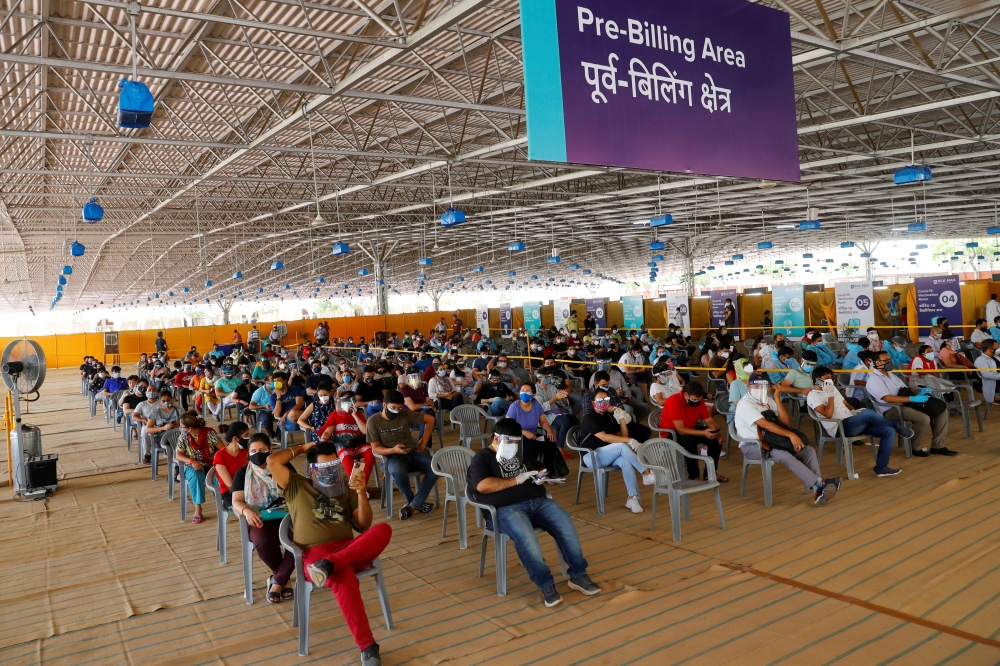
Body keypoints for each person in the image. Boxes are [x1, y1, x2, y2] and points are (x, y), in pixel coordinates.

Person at [267, 439, 390, 666]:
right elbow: (272, 460)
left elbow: (364, 523)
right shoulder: (296, 484)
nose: (330, 473)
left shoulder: (346, 487)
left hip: (347, 551)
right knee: (344, 580)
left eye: (333, 466)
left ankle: (331, 563)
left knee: (383, 529)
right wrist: (305, 448)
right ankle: (368, 647)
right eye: (324, 468)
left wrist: (361, 493)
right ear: (312, 469)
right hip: (315, 555)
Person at [466, 418, 600, 607]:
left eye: (516, 441)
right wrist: (517, 480)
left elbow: (538, 466)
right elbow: (482, 486)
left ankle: (578, 575)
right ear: (496, 438)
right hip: (504, 510)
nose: (514, 445)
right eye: (510, 441)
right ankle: (546, 585)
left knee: (565, 523)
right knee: (526, 537)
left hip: (538, 502)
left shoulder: (521, 453)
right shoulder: (482, 457)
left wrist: (541, 475)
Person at [734, 378, 841, 506]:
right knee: (785, 456)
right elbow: (766, 425)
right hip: (753, 445)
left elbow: (784, 422)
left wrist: (777, 398)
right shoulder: (745, 404)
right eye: (756, 387)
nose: (760, 390)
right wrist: (790, 435)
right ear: (749, 388)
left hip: (773, 440)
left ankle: (818, 488)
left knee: (808, 451)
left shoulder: (768, 400)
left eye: (763, 387)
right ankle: (819, 484)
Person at [807, 367, 913, 477]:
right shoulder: (813, 395)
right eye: (827, 378)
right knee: (867, 413)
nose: (830, 380)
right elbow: (828, 415)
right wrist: (830, 395)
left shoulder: (832, 389)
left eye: (831, 378)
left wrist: (854, 411)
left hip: (851, 421)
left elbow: (846, 404)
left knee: (888, 431)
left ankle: (881, 468)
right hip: (839, 427)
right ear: (817, 379)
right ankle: (897, 426)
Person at [230, 433, 295, 603]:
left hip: (287, 516)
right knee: (263, 541)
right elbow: (236, 501)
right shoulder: (243, 473)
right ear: (248, 453)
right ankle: (283, 578)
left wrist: (291, 500)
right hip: (260, 518)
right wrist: (247, 512)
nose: (257, 453)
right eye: (253, 450)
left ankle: (277, 581)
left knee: (301, 539)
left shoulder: (282, 466)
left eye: (262, 449)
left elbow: (298, 490)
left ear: (270, 450)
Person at [865, 350, 954, 457]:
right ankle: (915, 447)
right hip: (891, 409)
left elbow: (905, 390)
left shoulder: (893, 376)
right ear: (877, 363)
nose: (890, 362)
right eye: (886, 360)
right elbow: (887, 398)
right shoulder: (874, 380)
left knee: (941, 410)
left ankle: (938, 445)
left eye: (890, 359)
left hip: (907, 404)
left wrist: (920, 394)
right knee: (923, 418)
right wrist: (912, 399)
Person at [578, 389, 655, 513]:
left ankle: (632, 498)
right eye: (599, 400)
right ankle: (646, 473)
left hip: (608, 454)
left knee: (626, 461)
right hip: (591, 457)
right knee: (621, 446)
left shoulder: (608, 416)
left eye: (606, 400)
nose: (603, 402)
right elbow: (604, 437)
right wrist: (630, 440)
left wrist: (622, 420)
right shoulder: (589, 418)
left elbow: (620, 436)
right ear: (593, 402)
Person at [366, 390, 437, 520]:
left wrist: (423, 442)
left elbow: (430, 419)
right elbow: (376, 449)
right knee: (398, 471)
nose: (396, 411)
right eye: (393, 408)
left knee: (435, 467)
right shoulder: (373, 422)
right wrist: (393, 450)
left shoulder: (404, 414)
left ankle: (414, 505)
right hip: (392, 456)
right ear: (384, 405)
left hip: (413, 452)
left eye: (399, 408)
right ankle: (415, 502)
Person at [660, 383, 729, 482]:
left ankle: (710, 473)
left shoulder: (699, 402)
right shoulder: (673, 401)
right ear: (686, 394)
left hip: (690, 428)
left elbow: (709, 420)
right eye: (694, 400)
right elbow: (680, 429)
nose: (697, 402)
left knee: (715, 440)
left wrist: (717, 433)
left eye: (699, 399)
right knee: (689, 440)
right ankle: (693, 476)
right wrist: (704, 433)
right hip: (671, 432)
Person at [506, 383, 566, 478]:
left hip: (534, 436)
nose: (524, 393)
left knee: (550, 442)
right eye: (522, 391)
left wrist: (549, 431)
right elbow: (508, 426)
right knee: (528, 445)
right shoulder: (514, 407)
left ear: (534, 395)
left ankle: (549, 472)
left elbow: (543, 422)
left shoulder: (536, 404)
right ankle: (535, 471)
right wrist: (524, 432)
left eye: (527, 391)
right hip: (518, 437)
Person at [175, 411, 220, 524]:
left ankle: (220, 504)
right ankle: (198, 508)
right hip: (193, 465)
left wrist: (217, 464)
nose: (180, 428)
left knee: (218, 478)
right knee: (195, 477)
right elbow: (178, 454)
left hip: (211, 463)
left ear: (189, 428)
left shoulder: (209, 433)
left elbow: (222, 449)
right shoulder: (183, 437)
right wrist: (192, 461)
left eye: (181, 426)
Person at [134, 388, 180, 464]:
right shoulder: (155, 412)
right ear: (160, 402)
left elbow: (186, 424)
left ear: (172, 400)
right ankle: (176, 467)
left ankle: (177, 466)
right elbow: (148, 430)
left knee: (180, 441)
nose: (166, 402)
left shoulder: (179, 410)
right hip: (161, 437)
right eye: (163, 401)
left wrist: (176, 425)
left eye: (168, 400)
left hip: (177, 435)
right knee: (174, 442)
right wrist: (164, 428)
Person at [213, 422, 250, 505]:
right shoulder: (220, 455)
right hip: (230, 493)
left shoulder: (246, 451)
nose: (249, 438)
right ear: (236, 438)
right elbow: (230, 485)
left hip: (250, 487)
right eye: (246, 435)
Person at [974, 338, 1000, 404]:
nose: (998, 349)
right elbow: (986, 374)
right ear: (990, 349)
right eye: (997, 348)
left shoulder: (996, 357)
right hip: (995, 387)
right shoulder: (981, 360)